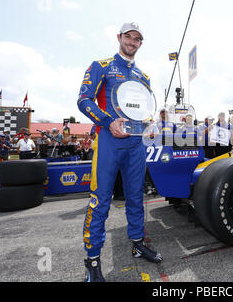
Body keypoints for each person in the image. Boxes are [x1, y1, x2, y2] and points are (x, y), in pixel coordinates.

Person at [77, 22, 162, 282]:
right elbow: (83, 100)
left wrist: (151, 124)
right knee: (100, 201)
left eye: (137, 39)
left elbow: (145, 111)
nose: (132, 42)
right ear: (119, 37)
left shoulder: (143, 77)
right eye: (128, 37)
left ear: (140, 43)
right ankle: (92, 260)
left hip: (135, 145)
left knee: (136, 197)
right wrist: (107, 121)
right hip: (108, 142)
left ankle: (137, 243)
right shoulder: (100, 66)